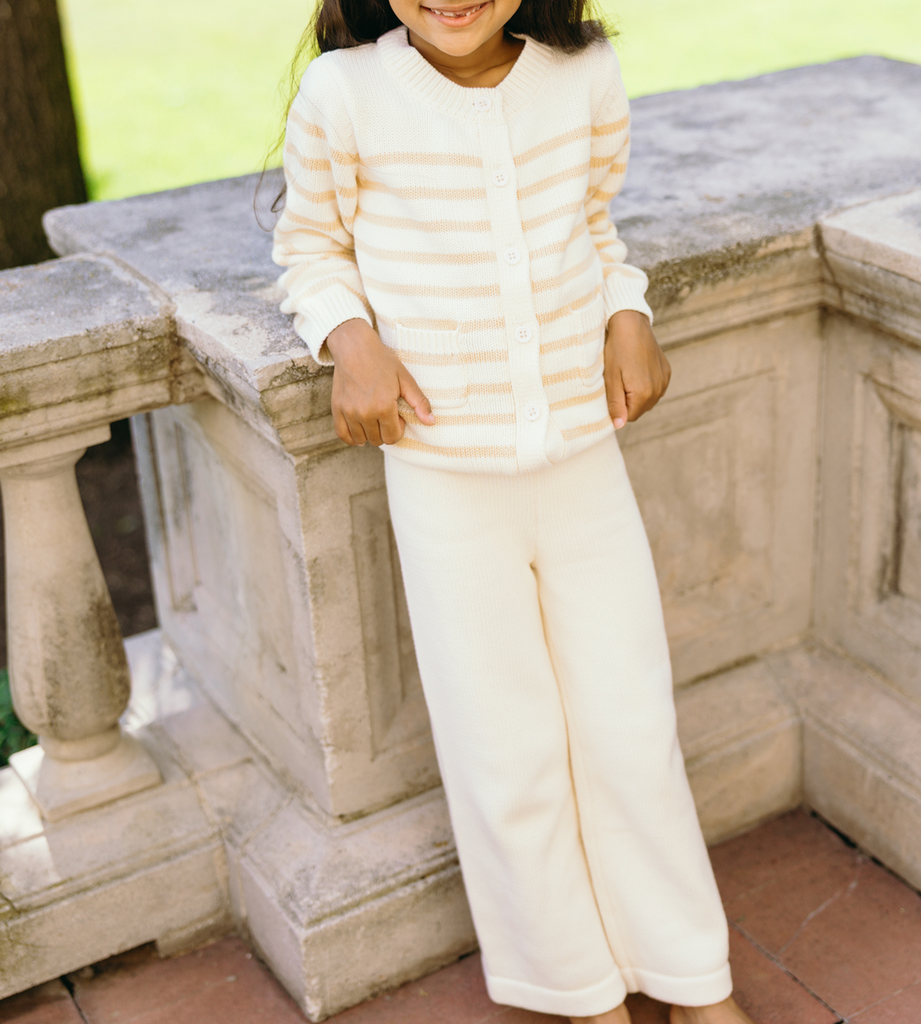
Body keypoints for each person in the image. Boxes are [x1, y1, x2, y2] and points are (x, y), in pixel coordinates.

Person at [272, 3, 758, 1022]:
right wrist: (351, 341)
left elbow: (593, 222)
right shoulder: (345, 93)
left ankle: (690, 976)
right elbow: (311, 248)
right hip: (443, 473)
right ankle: (578, 990)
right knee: (506, 750)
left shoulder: (582, 77)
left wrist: (628, 312)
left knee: (631, 728)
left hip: (584, 457)